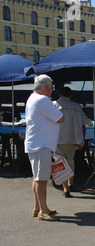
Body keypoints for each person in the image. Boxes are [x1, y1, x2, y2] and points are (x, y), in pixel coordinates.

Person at [25, 75, 64, 221]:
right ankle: (43, 210)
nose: (52, 90)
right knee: (42, 179)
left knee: (37, 178)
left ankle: (38, 207)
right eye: (52, 87)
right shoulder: (43, 100)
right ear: (47, 87)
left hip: (35, 144)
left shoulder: (32, 98)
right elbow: (60, 118)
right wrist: (55, 107)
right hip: (42, 144)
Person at [53, 87, 88, 198]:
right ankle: (70, 183)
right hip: (72, 139)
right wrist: (81, 141)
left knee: (60, 162)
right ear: (70, 95)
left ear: (59, 94)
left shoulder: (53, 105)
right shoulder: (77, 107)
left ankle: (65, 188)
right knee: (70, 161)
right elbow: (83, 125)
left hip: (57, 139)